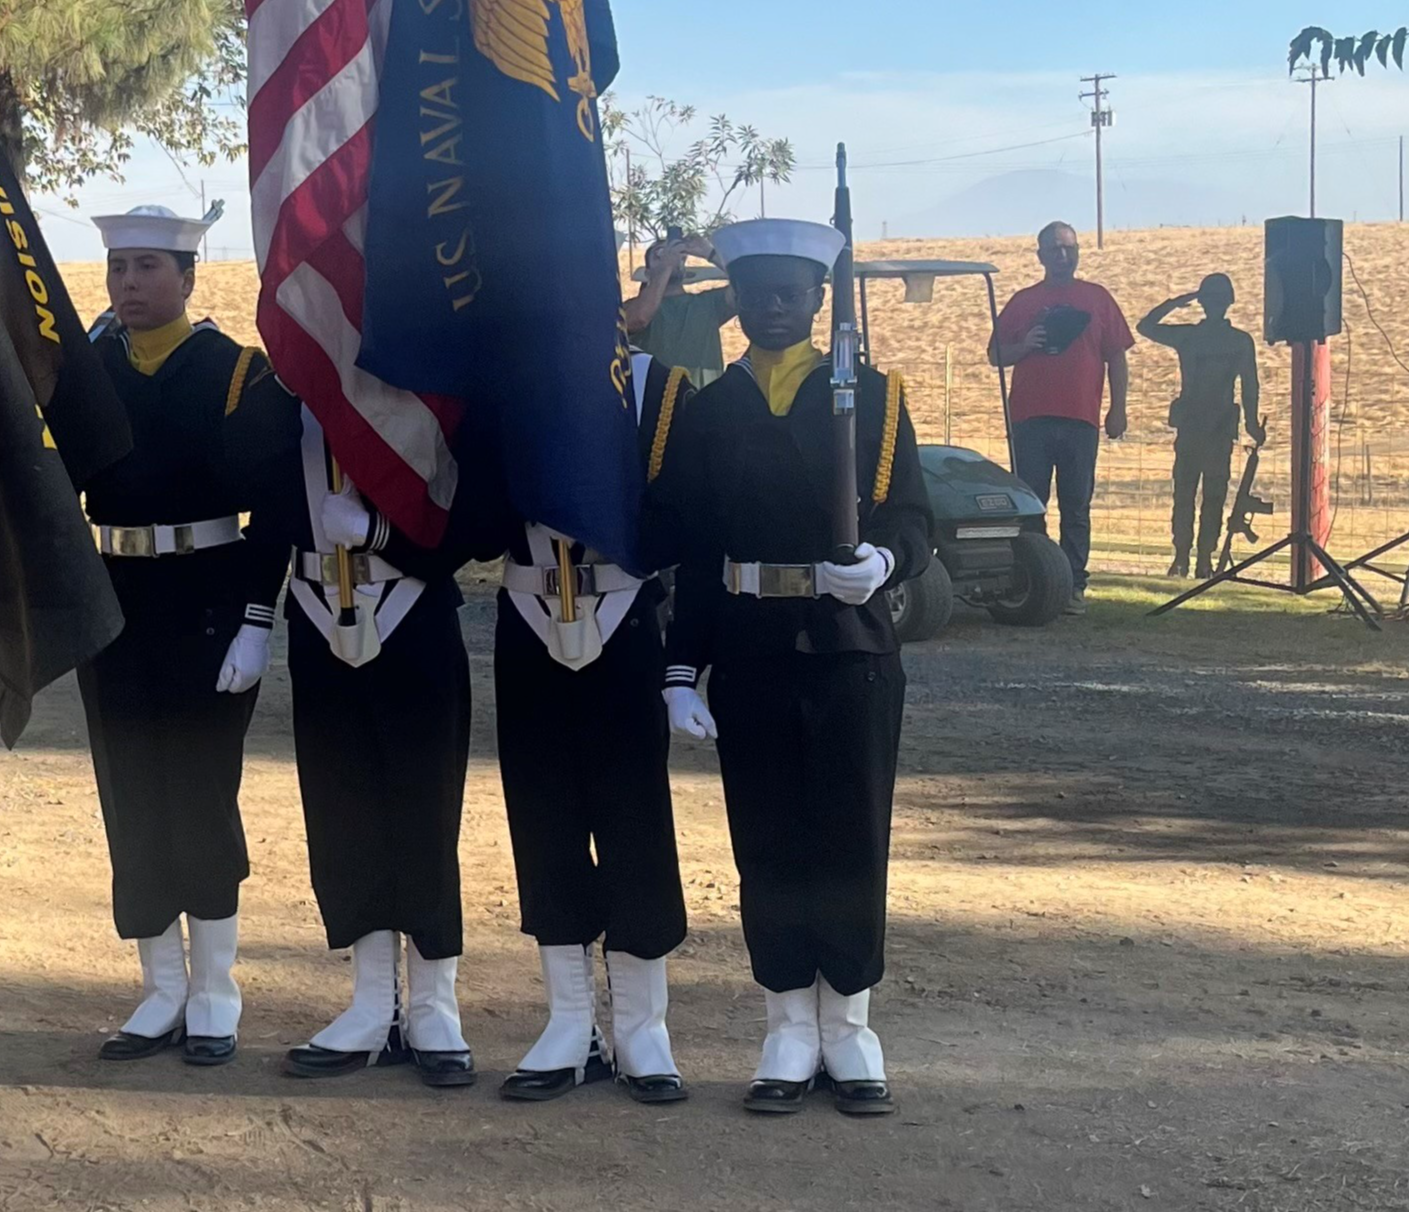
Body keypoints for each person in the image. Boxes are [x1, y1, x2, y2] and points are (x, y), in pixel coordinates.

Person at [653, 216, 929, 1118]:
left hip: (848, 647)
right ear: (732, 301)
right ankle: (784, 1023)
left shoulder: (875, 398)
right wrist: (679, 668)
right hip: (749, 646)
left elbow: (911, 520)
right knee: (766, 838)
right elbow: (693, 552)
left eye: (791, 290)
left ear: (819, 299)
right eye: (755, 291)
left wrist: (884, 562)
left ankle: (848, 1025)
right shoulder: (709, 407)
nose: (772, 305)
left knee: (850, 835)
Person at [75, 205, 296, 1067]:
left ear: (188, 276)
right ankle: (159, 985)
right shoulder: (88, 370)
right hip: (116, 602)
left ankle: (214, 990)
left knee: (200, 790)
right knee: (130, 791)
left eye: (145, 267)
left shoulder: (237, 373)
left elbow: (276, 507)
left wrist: (254, 618)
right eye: (118, 267)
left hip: (205, 598)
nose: (128, 283)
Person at [456, 353, 692, 1105]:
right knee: (543, 815)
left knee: (633, 817)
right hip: (528, 615)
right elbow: (480, 524)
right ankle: (567, 1020)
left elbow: (681, 516)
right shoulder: (500, 381)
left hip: (621, 612)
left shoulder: (659, 388)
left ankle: (640, 1024)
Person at [270, 427, 479, 1088]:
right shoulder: (283, 395)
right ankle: (370, 1003)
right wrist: (252, 615)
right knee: (341, 811)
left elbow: (471, 525)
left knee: (424, 810)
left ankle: (431, 1004)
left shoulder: (429, 400)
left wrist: (380, 534)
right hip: (317, 612)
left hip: (411, 612)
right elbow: (265, 512)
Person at [988, 221, 1131, 602]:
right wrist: (1024, 346)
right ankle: (1031, 582)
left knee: (1076, 506)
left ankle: (1072, 586)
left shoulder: (1098, 298)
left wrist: (1118, 409)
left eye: (1069, 248)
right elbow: (994, 355)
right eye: (1054, 249)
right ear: (1041, 256)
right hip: (1030, 418)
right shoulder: (1023, 300)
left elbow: (1116, 356)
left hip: (1080, 418)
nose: (1063, 256)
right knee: (1031, 504)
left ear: (1078, 252)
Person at [1138, 275, 1265, 578]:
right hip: (1204, 426)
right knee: (1202, 494)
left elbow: (1250, 385)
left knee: (1198, 494)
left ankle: (1195, 557)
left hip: (1208, 426)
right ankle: (1192, 557)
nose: (1215, 306)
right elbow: (1250, 386)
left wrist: (1176, 303)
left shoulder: (1195, 337)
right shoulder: (1231, 340)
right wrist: (1250, 422)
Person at [623, 232, 734, 386]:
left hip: (705, 400)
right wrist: (666, 266)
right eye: (659, 254)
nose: (671, 258)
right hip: (655, 401)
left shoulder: (709, 303)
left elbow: (751, 286)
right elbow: (637, 320)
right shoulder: (632, 306)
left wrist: (710, 253)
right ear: (647, 274)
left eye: (678, 255)